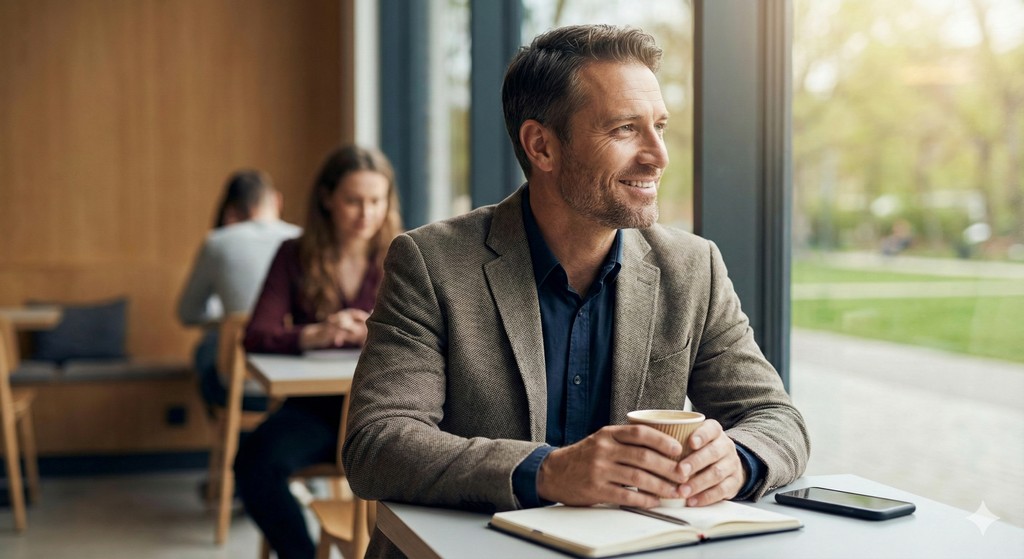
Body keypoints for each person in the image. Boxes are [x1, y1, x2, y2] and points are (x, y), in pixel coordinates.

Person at [343, 24, 810, 558]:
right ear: (541, 145)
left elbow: (778, 420)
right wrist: (549, 471)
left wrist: (738, 458)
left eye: (659, 126)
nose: (658, 155)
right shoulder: (433, 263)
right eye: (625, 129)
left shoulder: (692, 268)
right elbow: (376, 443)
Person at [234, 145, 402, 559]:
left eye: (376, 201)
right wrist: (315, 334)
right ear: (327, 199)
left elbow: (436, 338)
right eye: (353, 200)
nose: (366, 213)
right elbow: (256, 335)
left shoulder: (404, 254)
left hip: (387, 409)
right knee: (252, 466)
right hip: (317, 411)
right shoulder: (294, 254)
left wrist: (373, 331)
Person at [177, 169, 301, 410]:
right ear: (277, 200)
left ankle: (226, 436)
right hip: (297, 383)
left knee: (208, 345)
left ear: (231, 212)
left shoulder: (218, 241)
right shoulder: (303, 238)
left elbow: (187, 313)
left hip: (236, 386)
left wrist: (230, 320)